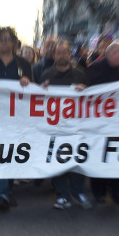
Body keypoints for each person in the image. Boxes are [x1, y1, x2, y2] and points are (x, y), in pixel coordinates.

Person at [0, 26, 33, 212]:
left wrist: (27, 82)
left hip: (16, 117)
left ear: (14, 43)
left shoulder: (24, 64)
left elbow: (32, 89)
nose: (4, 41)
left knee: (11, 153)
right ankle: (2, 193)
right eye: (1, 39)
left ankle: (7, 189)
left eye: (8, 38)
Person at [40, 39, 92, 210]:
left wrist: (85, 89)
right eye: (59, 52)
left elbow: (91, 98)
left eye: (65, 52)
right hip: (55, 127)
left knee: (77, 159)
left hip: (76, 126)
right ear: (54, 55)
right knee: (57, 159)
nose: (62, 55)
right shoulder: (46, 74)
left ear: (70, 54)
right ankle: (62, 195)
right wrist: (42, 89)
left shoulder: (80, 74)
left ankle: (77, 192)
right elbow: (38, 99)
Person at [86, 39, 119, 206]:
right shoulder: (94, 69)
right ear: (113, 53)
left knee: (117, 159)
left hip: (117, 125)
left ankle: (118, 193)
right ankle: (99, 192)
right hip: (98, 124)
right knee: (99, 158)